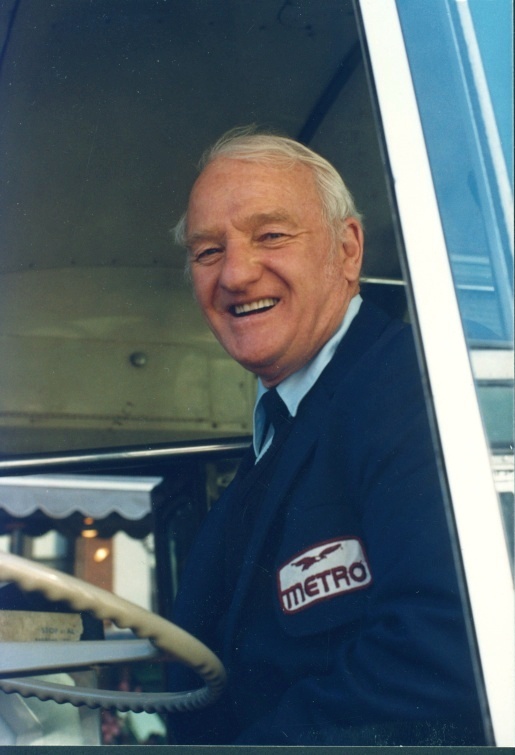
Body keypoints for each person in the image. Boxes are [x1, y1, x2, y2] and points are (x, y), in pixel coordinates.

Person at [168, 128, 485, 745]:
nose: (235, 273)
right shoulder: (278, 433)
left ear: (347, 250)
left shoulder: (414, 394)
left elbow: (447, 653)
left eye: (271, 236)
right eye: (208, 251)